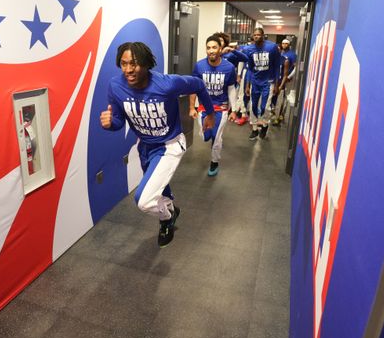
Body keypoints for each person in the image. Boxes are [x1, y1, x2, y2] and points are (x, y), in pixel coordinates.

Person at [100, 42, 215, 247]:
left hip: (170, 145)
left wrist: (210, 114)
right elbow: (119, 121)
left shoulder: (167, 84)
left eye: (133, 64)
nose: (128, 70)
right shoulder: (115, 86)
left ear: (145, 64)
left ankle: (167, 218)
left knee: (143, 201)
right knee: (160, 187)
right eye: (123, 64)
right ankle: (170, 206)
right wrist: (110, 124)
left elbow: (198, 84)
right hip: (144, 145)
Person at [189, 35, 237, 176]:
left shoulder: (229, 67)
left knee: (216, 138)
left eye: (214, 47)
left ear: (220, 49)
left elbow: (231, 89)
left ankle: (214, 162)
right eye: (208, 48)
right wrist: (192, 107)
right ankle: (210, 136)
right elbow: (194, 87)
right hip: (204, 108)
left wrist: (233, 110)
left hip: (220, 108)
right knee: (206, 137)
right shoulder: (199, 66)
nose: (211, 50)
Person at [238, 27, 282, 140]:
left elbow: (277, 66)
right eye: (255, 35)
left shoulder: (272, 47)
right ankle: (254, 129)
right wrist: (247, 85)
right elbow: (249, 69)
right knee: (253, 105)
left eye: (259, 35)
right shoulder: (249, 49)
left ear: (263, 35)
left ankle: (265, 125)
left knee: (265, 107)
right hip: (255, 81)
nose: (256, 36)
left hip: (269, 81)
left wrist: (277, 84)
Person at [272, 38, 297, 126]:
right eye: (283, 43)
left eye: (286, 44)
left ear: (289, 45)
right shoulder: (281, 53)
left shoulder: (292, 54)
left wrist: (290, 76)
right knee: (278, 97)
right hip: (279, 78)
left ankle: (281, 114)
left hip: (288, 79)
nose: (284, 45)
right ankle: (276, 113)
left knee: (284, 97)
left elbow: (295, 67)